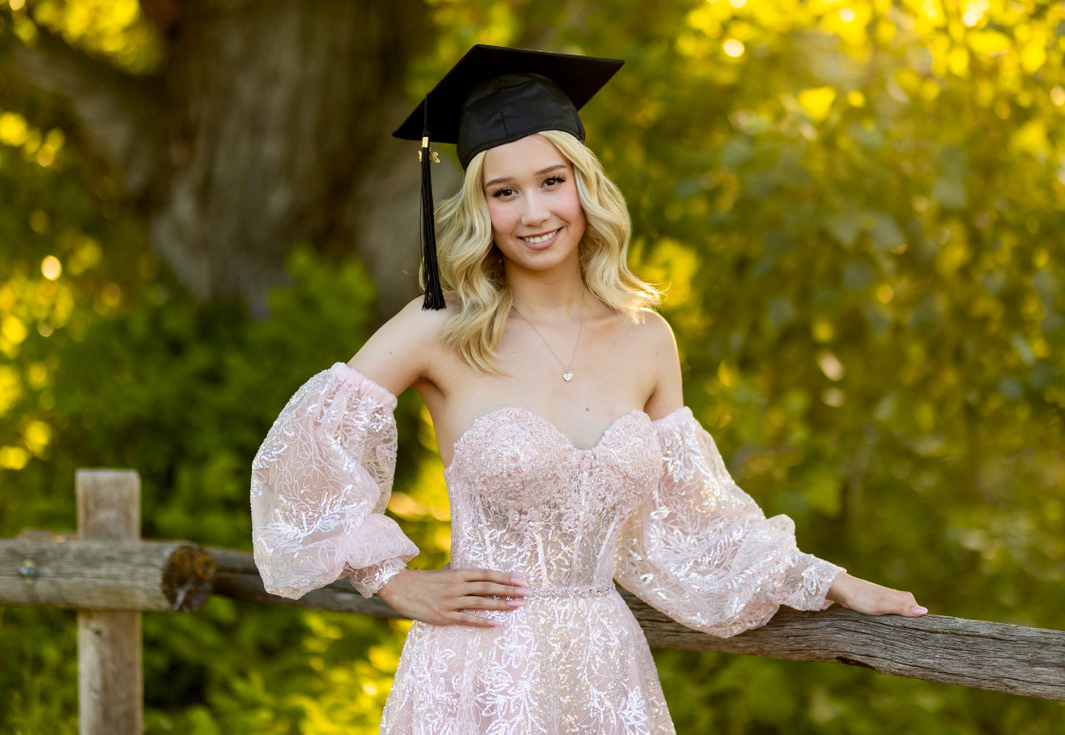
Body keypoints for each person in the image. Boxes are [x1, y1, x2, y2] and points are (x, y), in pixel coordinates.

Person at [251, 45, 925, 734]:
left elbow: (696, 519)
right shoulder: (441, 326)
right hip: (478, 674)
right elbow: (306, 451)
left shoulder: (645, 337)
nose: (533, 211)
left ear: (585, 185)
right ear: (481, 207)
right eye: (503, 191)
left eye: (551, 181)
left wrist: (828, 581)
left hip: (606, 674)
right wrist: (391, 579)